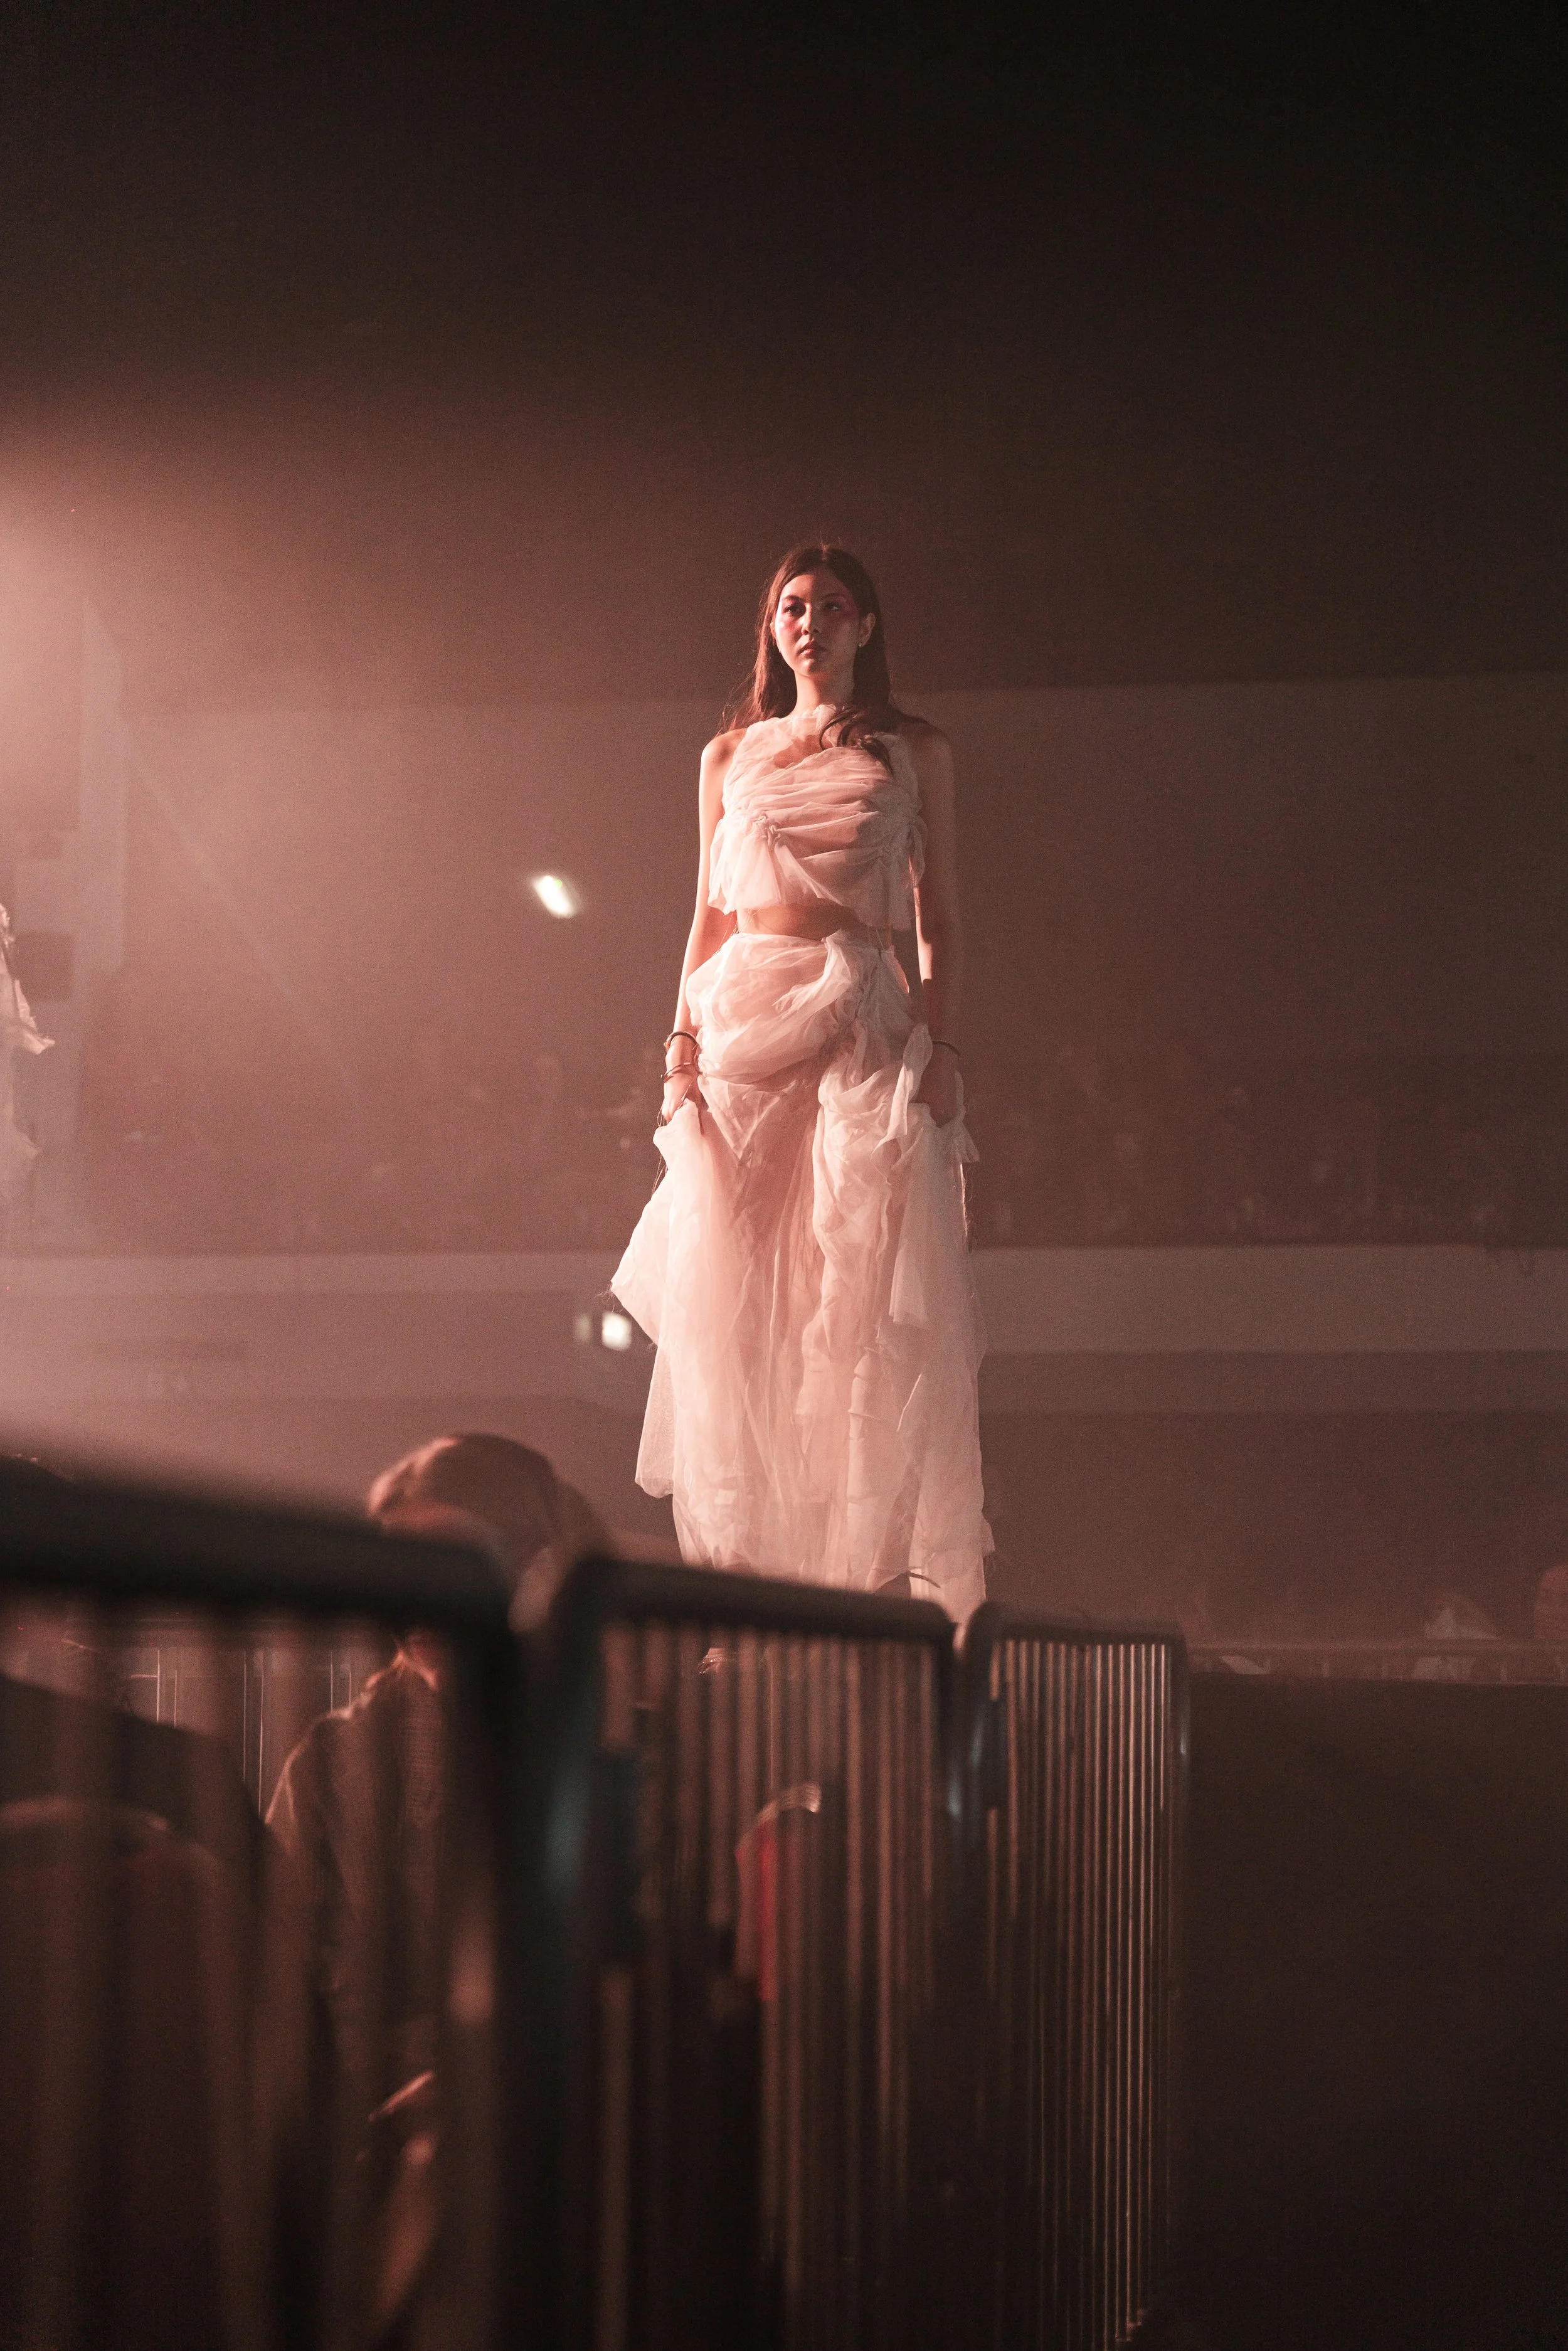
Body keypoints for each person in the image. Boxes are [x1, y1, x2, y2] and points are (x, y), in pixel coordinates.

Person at [612, 546, 989, 1621]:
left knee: (855, 1303)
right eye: (791, 606)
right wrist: (677, 1050)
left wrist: (943, 1047)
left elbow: (941, 919)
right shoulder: (728, 753)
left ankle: (855, 1591)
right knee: (736, 1304)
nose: (807, 622)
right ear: (772, 627)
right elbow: (704, 916)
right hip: (740, 1022)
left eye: (829, 606)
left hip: (862, 1016)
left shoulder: (916, 750)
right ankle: (749, 1595)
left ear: (866, 625)